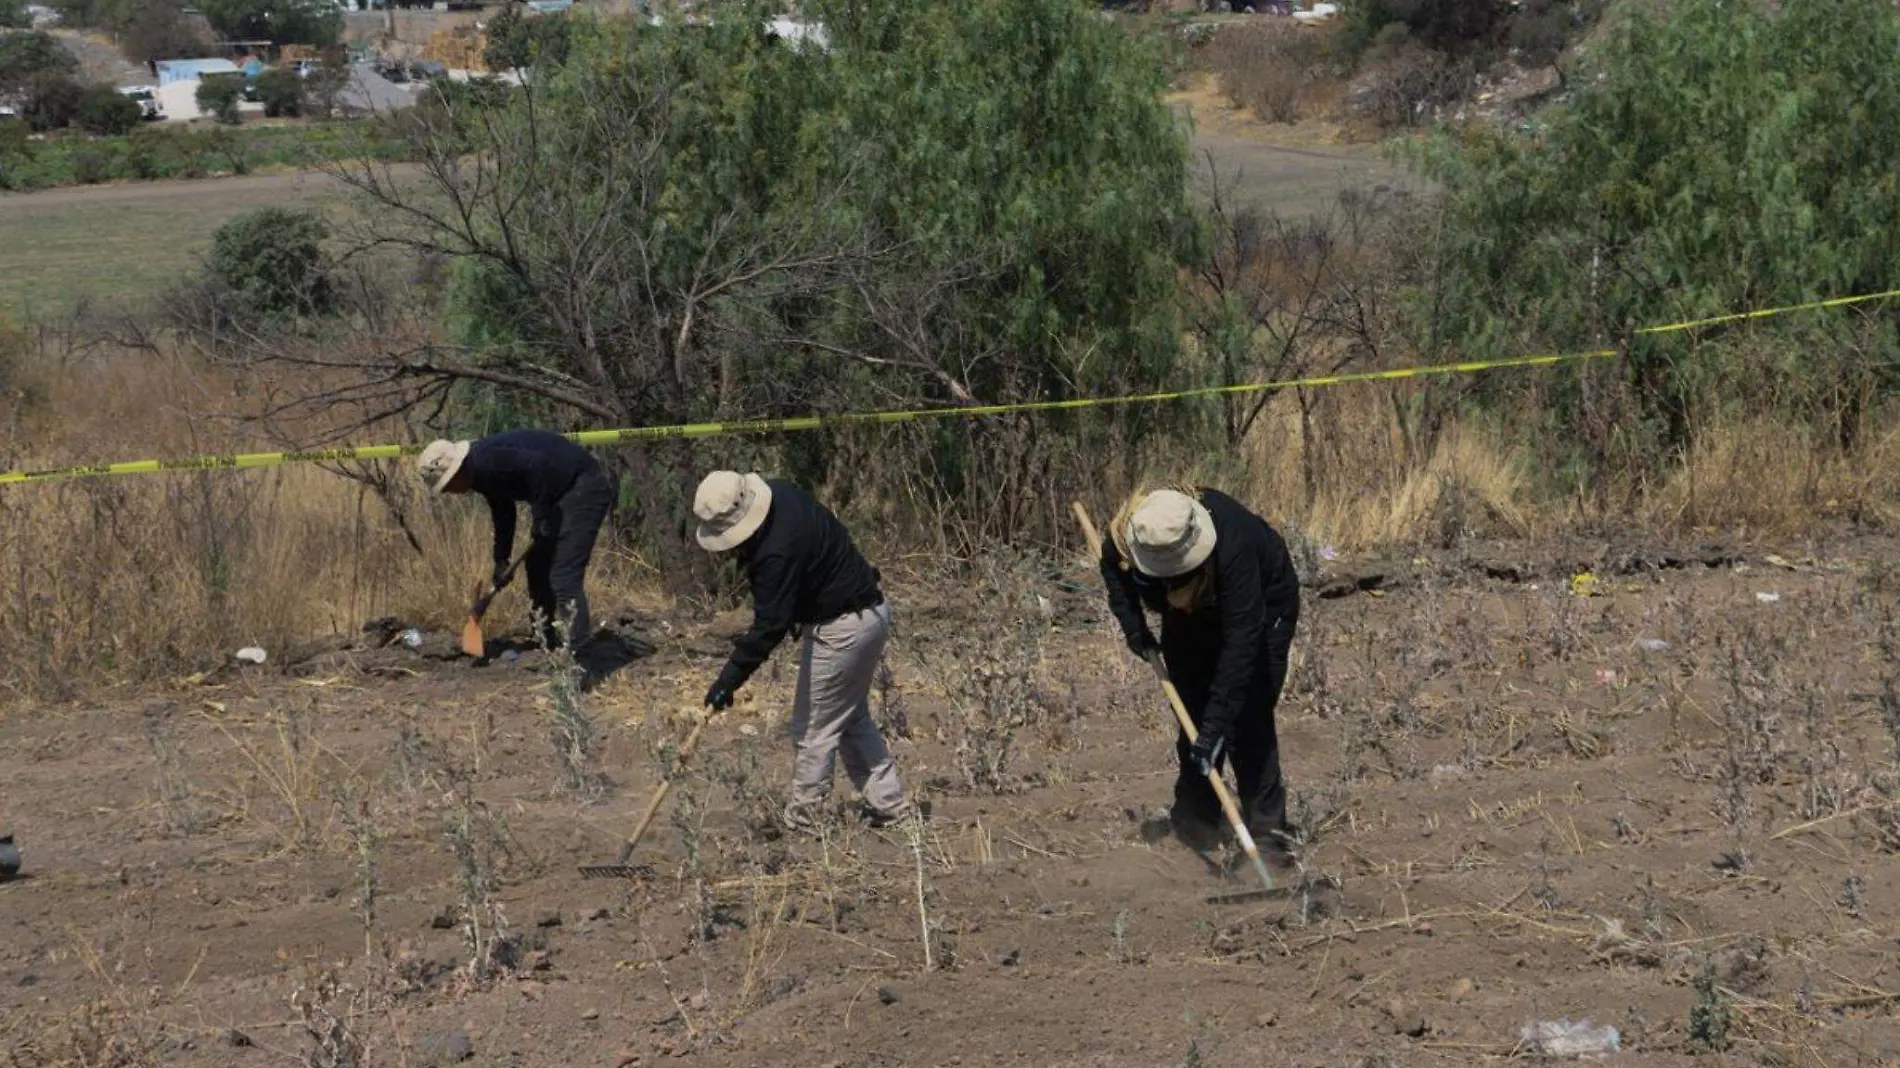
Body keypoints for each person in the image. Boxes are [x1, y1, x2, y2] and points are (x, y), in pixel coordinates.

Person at [693, 470, 913, 831]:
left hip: (843, 628)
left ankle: (805, 818)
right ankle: (890, 807)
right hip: (870, 614)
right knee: (850, 717)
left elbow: (770, 626)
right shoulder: (782, 492)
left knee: (813, 728)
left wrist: (727, 682)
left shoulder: (775, 554)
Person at [1099, 485, 1301, 864]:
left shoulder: (1235, 548)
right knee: (1191, 709)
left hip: (1263, 607)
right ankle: (1197, 818)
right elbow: (1111, 567)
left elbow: (1242, 649)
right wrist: (1134, 629)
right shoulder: (1133, 532)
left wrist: (1215, 730)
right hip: (1189, 616)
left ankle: (1268, 835)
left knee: (1247, 717)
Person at [417, 430, 615, 651]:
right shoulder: (478, 475)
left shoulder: (487, 461)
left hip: (583, 486)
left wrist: (541, 518)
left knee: (564, 575)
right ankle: (545, 638)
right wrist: (501, 559)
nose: (448, 492)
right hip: (560, 493)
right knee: (537, 564)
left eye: (447, 485)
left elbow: (537, 465)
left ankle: (580, 655)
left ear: (457, 471)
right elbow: (503, 511)